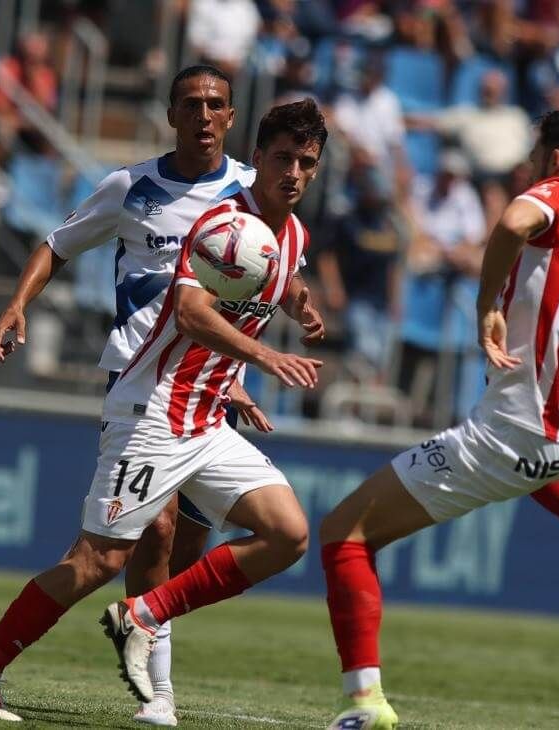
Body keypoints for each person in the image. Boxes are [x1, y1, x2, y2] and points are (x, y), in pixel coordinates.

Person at [320, 110, 559, 730]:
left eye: (537, 154)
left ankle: (364, 704)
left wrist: (488, 307)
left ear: (558, 159)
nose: (529, 164)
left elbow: (513, 221)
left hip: (510, 433)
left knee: (344, 536)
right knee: (532, 467)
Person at [0, 65, 260, 726]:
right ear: (172, 114)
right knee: (120, 549)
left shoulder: (250, 196)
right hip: (140, 385)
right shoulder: (131, 187)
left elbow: (257, 291)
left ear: (231, 117)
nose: (204, 116)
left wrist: (237, 374)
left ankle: (158, 695)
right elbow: (56, 245)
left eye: (216, 105)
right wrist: (17, 303)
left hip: (205, 396)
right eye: (192, 104)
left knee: (179, 543)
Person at [93, 99, 328, 705]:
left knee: (225, 543)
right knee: (136, 542)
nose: (295, 172)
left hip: (212, 401)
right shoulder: (214, 214)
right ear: (256, 158)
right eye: (284, 158)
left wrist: (299, 303)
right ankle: (156, 698)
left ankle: (145, 622)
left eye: (307, 162)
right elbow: (194, 310)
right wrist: (262, 358)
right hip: (151, 385)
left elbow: (270, 276)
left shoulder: (287, 232)